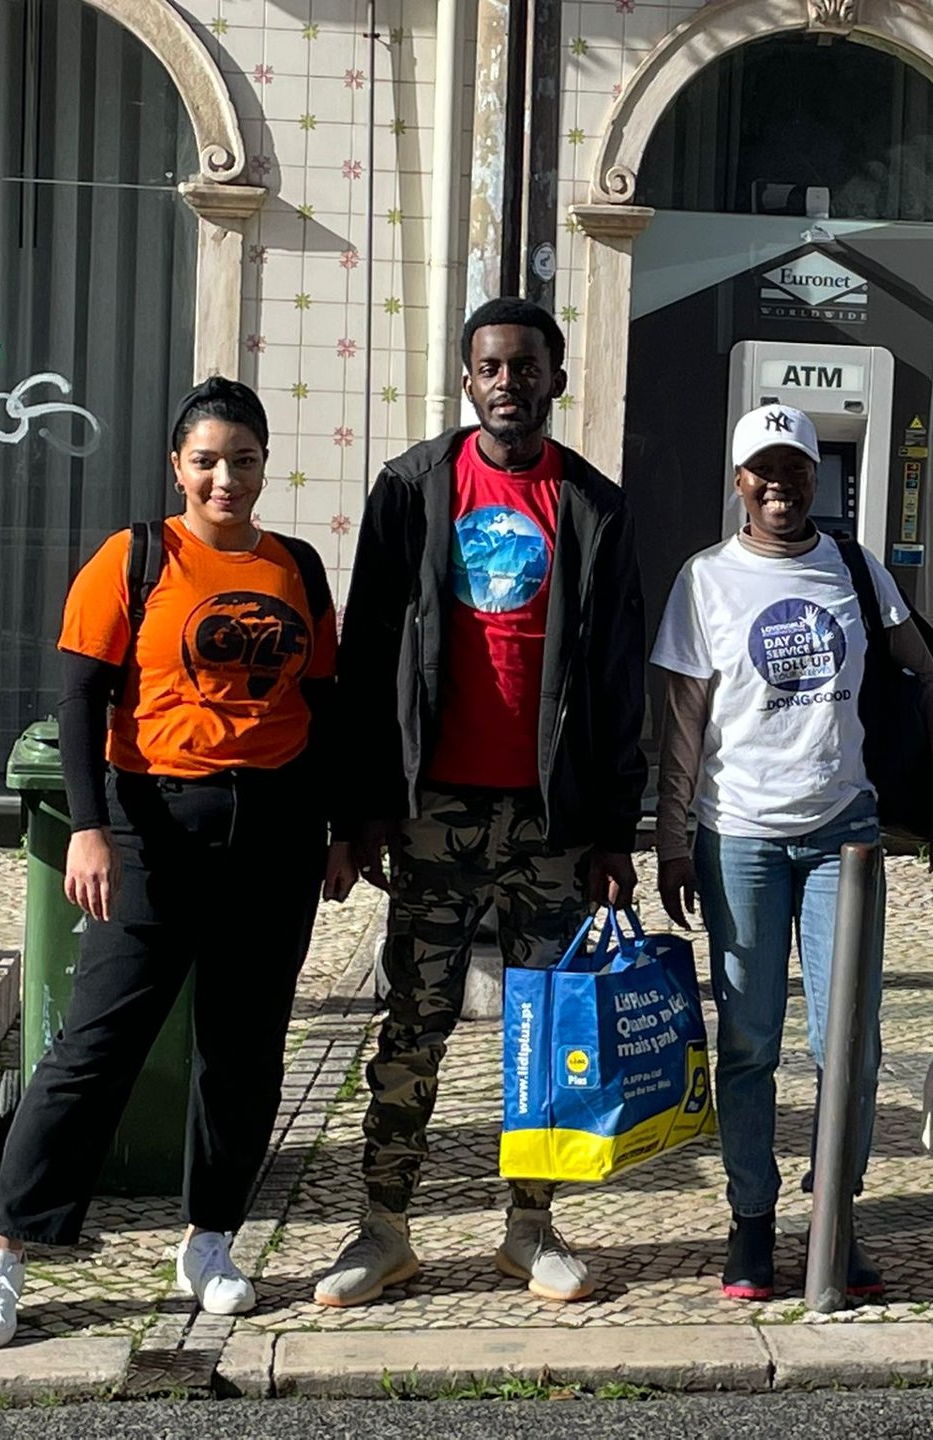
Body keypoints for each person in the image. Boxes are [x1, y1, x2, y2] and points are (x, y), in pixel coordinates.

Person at [0, 378, 347, 1349]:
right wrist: (87, 828)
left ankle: (209, 1239)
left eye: (244, 460)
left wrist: (339, 829)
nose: (226, 478)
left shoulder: (296, 566)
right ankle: (2, 1251)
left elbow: (324, 703)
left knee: (244, 1051)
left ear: (265, 466)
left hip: (276, 835)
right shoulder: (132, 559)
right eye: (207, 460)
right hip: (154, 827)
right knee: (97, 1045)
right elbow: (81, 701)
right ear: (179, 467)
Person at [313, 298, 646, 1308]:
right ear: (468, 381)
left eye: (526, 366)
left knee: (544, 1029)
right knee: (413, 1022)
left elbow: (619, 680)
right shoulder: (412, 490)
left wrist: (613, 830)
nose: (509, 383)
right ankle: (383, 1229)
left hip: (552, 818)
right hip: (435, 809)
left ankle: (531, 1228)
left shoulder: (594, 508)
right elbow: (367, 657)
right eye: (492, 367)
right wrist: (362, 809)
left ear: (555, 380)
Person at [653, 403, 933, 1301]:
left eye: (795, 467)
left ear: (815, 475)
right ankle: (751, 1222)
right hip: (739, 836)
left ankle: (837, 1214)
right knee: (749, 1040)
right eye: (764, 470)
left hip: (846, 839)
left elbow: (931, 682)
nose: (780, 485)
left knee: (850, 1043)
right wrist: (673, 841)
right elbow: (683, 727)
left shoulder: (857, 569)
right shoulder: (705, 580)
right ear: (739, 482)